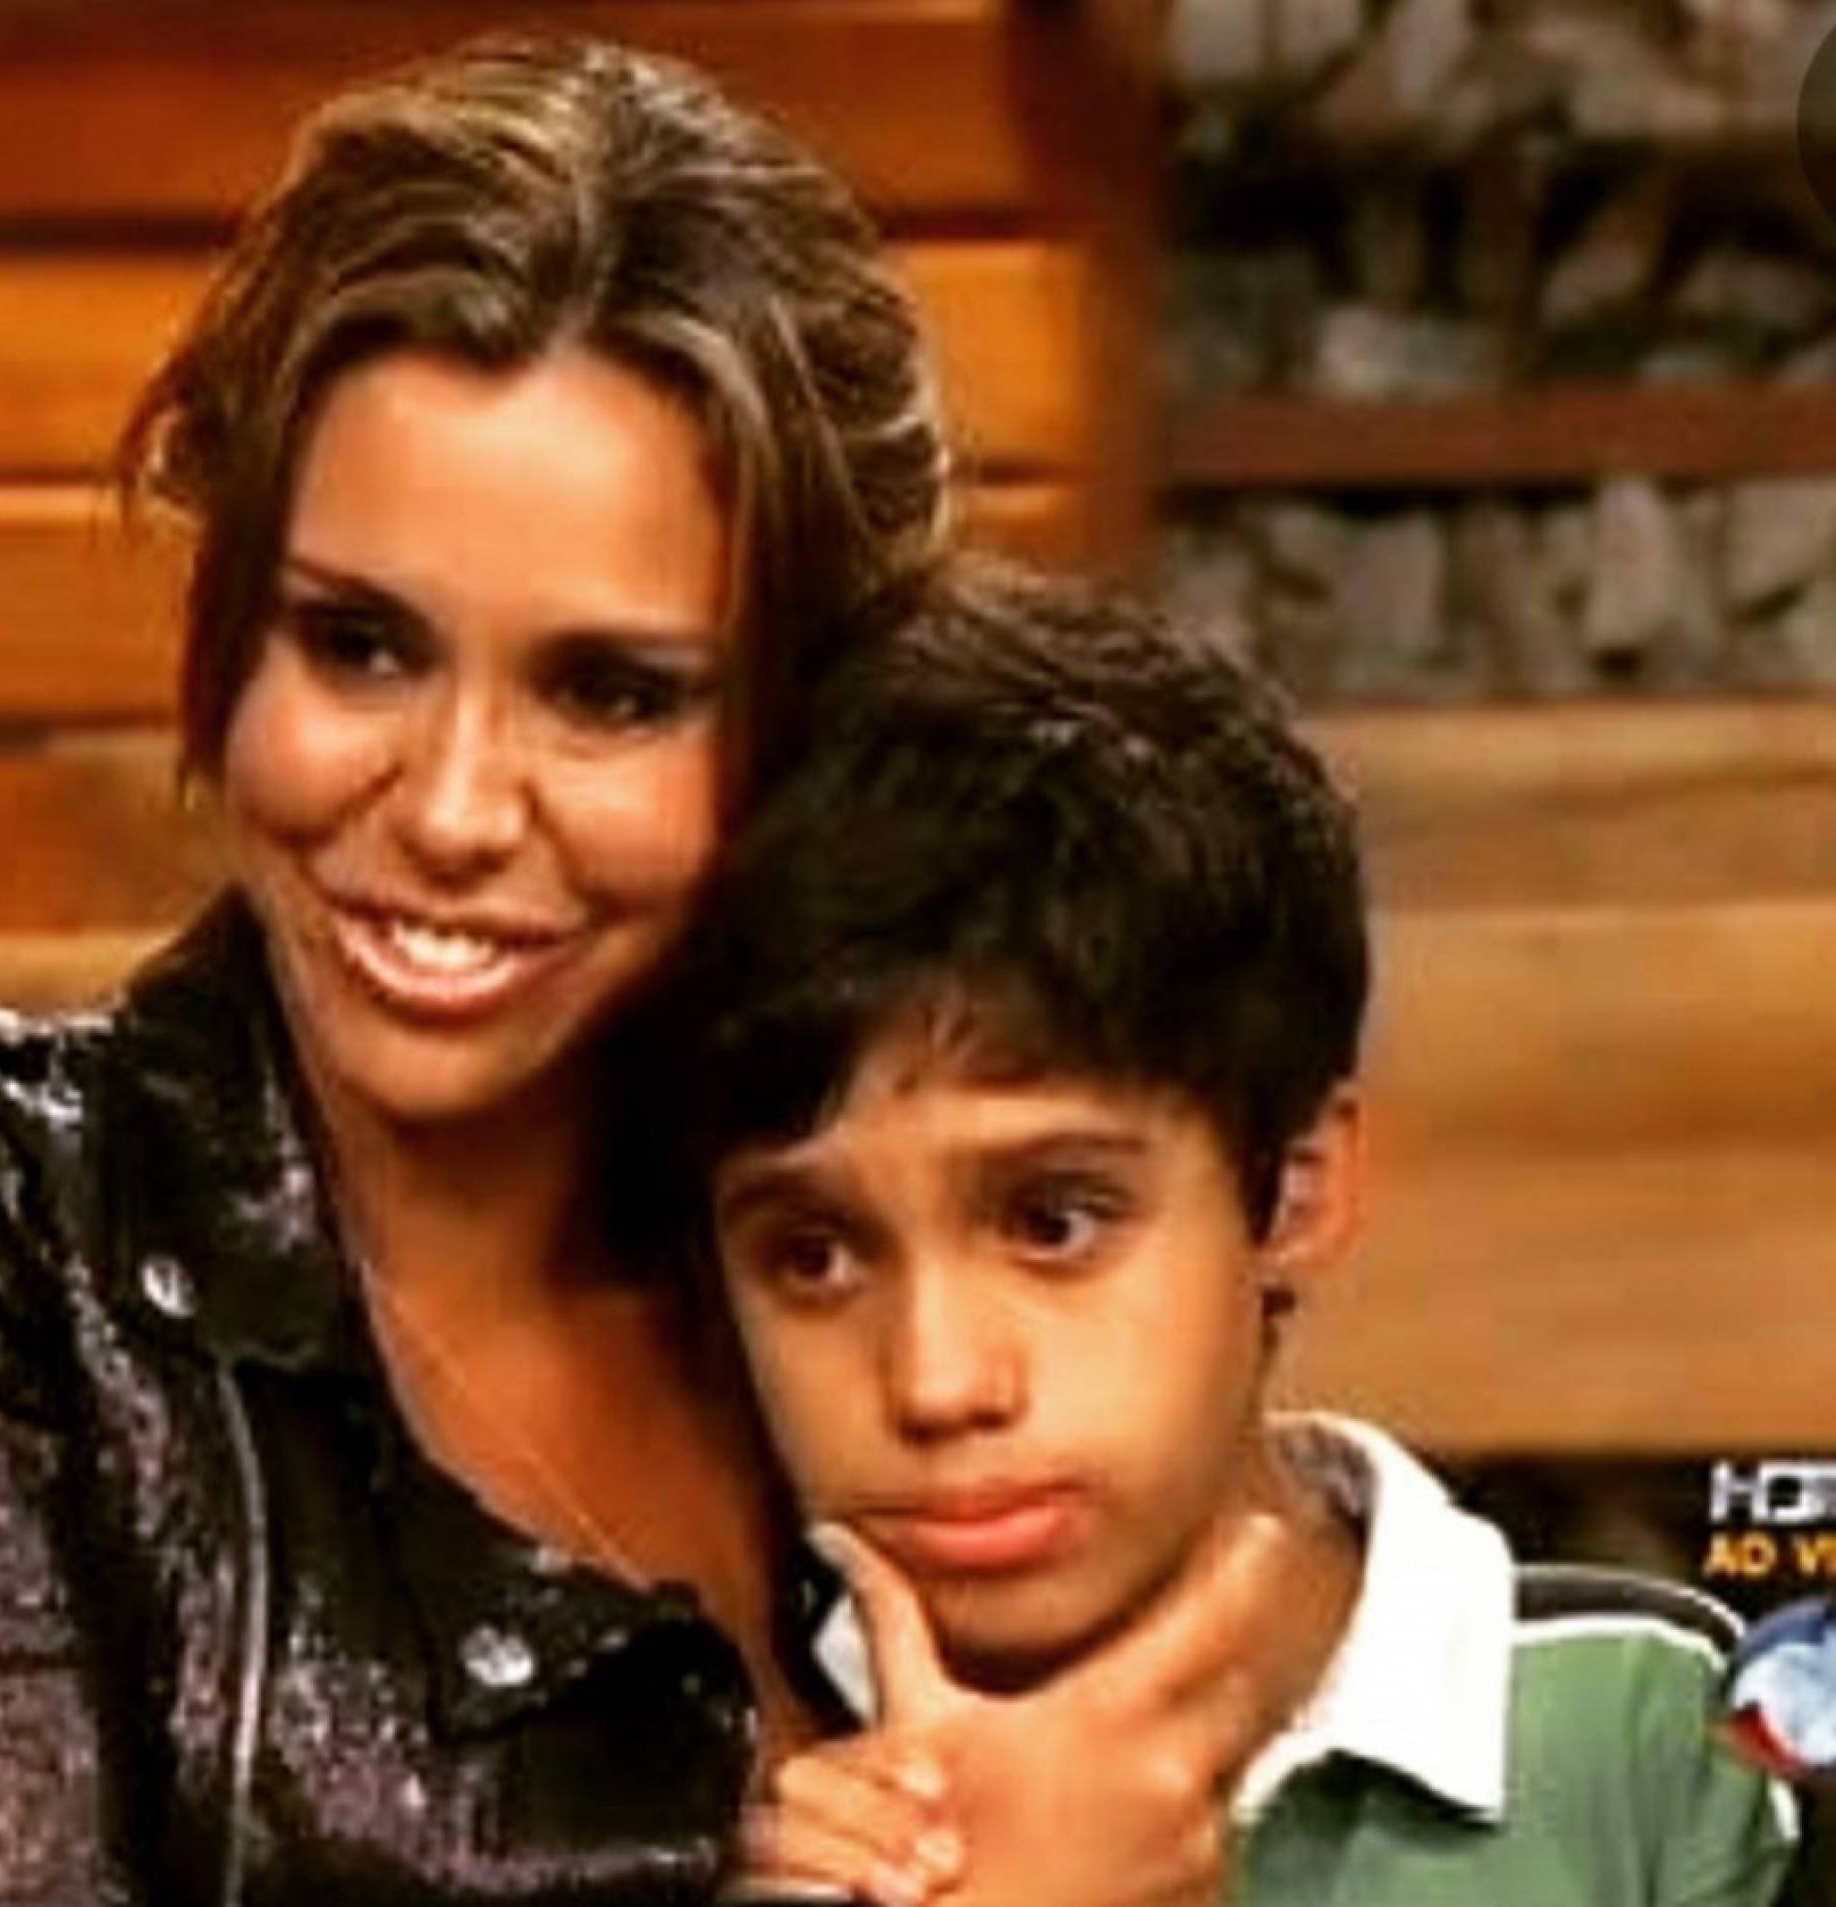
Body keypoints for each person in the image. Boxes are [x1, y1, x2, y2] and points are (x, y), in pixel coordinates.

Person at [0, 38, 1308, 1907]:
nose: (452, 810)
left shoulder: (875, 1240)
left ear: (799, 720)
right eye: (359, 646)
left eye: (611, 693)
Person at [660, 561, 1803, 1905]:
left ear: (1295, 1190)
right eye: (813, 1256)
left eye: (1052, 1222)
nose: (937, 1383)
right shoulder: (706, 1802)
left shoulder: (1660, 1738)